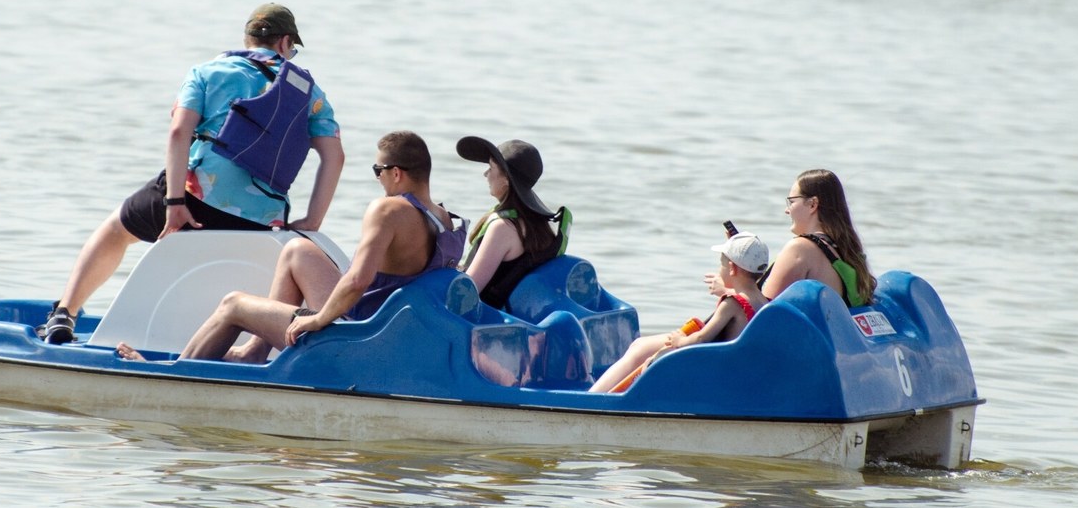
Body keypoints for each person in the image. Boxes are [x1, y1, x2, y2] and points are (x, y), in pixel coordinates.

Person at [42, 4, 345, 344]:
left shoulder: (208, 72)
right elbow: (334, 157)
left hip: (194, 205)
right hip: (260, 221)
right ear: (285, 43)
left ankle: (64, 313)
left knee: (116, 229)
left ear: (247, 39)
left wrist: (174, 203)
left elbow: (178, 133)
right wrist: (312, 220)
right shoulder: (311, 94)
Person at [116, 131, 467, 363]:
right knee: (297, 251)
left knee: (233, 305)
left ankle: (176, 376)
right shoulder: (449, 221)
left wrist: (318, 321)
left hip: (358, 339)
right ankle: (254, 352)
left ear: (396, 173)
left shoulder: (388, 210)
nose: (377, 179)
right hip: (391, 333)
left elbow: (358, 280)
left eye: (377, 170)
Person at [589, 232, 771, 393]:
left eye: (721, 262)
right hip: (742, 370)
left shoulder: (733, 303)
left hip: (721, 372)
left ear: (732, 268)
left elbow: (702, 338)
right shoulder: (766, 302)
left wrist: (681, 341)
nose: (719, 267)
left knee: (652, 361)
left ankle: (603, 400)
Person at [455, 136, 570, 310]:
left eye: (491, 167)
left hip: (481, 321)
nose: (485, 174)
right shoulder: (536, 223)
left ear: (507, 180)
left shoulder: (503, 228)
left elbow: (468, 292)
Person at [758, 169, 875, 308]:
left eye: (792, 202)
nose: (787, 210)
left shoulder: (799, 249)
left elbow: (764, 309)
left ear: (813, 204)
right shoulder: (846, 251)